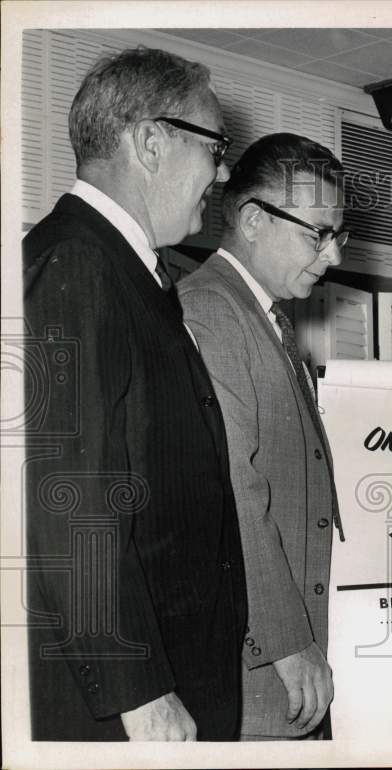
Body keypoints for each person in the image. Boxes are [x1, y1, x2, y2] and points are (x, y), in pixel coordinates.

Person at [22, 47, 247, 741]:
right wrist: (139, 689)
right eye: (215, 148)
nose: (223, 173)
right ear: (151, 143)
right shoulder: (78, 261)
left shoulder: (127, 268)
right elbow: (66, 492)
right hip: (130, 706)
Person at [178, 133, 346, 740]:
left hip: (292, 667)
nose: (333, 256)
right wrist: (289, 642)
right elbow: (235, 492)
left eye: (338, 235)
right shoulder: (211, 308)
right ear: (253, 220)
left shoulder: (265, 316)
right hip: (264, 672)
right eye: (317, 234)